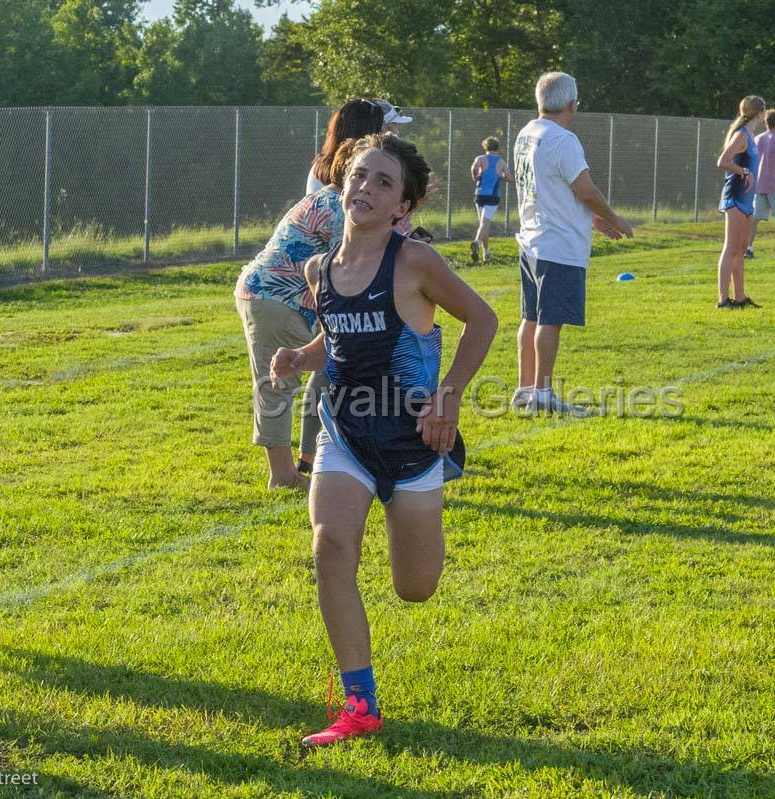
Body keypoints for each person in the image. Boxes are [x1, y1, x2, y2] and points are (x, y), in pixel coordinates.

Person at [271, 133, 498, 745]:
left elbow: (483, 319)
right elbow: (340, 341)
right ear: (341, 182)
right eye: (360, 175)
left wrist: (448, 394)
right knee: (330, 548)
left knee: (414, 587)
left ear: (402, 206)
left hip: (414, 441)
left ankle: (426, 513)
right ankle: (359, 702)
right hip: (342, 433)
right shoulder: (322, 268)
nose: (366, 188)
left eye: (384, 182)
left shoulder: (416, 262)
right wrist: (301, 355)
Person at [235, 140, 358, 489]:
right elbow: (349, 263)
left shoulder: (331, 199)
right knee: (276, 385)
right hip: (274, 296)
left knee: (329, 370)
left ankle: (312, 457)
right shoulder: (337, 205)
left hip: (279, 297)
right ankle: (283, 475)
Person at [511, 72, 634, 414]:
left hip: (533, 237)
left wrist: (592, 219)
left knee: (531, 317)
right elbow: (585, 190)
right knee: (550, 320)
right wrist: (613, 217)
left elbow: (551, 189)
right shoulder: (563, 139)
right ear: (571, 104)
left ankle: (525, 389)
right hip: (558, 243)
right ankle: (544, 394)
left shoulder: (526, 133)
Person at [715, 95, 766, 309]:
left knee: (741, 248)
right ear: (760, 112)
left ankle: (740, 297)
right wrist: (744, 171)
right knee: (731, 248)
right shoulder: (741, 135)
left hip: (747, 199)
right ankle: (723, 299)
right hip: (735, 196)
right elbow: (722, 162)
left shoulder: (750, 135)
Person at [305, 99, 411, 195]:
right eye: (383, 128)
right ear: (367, 133)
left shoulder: (323, 164)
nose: (391, 135)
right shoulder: (353, 168)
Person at [749, 108, 775, 260]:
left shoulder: (757, 139)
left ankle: (749, 248)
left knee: (755, 218)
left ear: (766, 122)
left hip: (759, 184)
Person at [469, 136, 513, 263]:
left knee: (483, 225)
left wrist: (475, 177)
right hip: (493, 196)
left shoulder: (480, 159)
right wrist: (502, 176)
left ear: (485, 147)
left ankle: (486, 253)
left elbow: (473, 168)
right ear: (498, 147)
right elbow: (510, 178)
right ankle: (476, 243)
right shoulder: (501, 162)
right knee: (484, 224)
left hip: (479, 194)